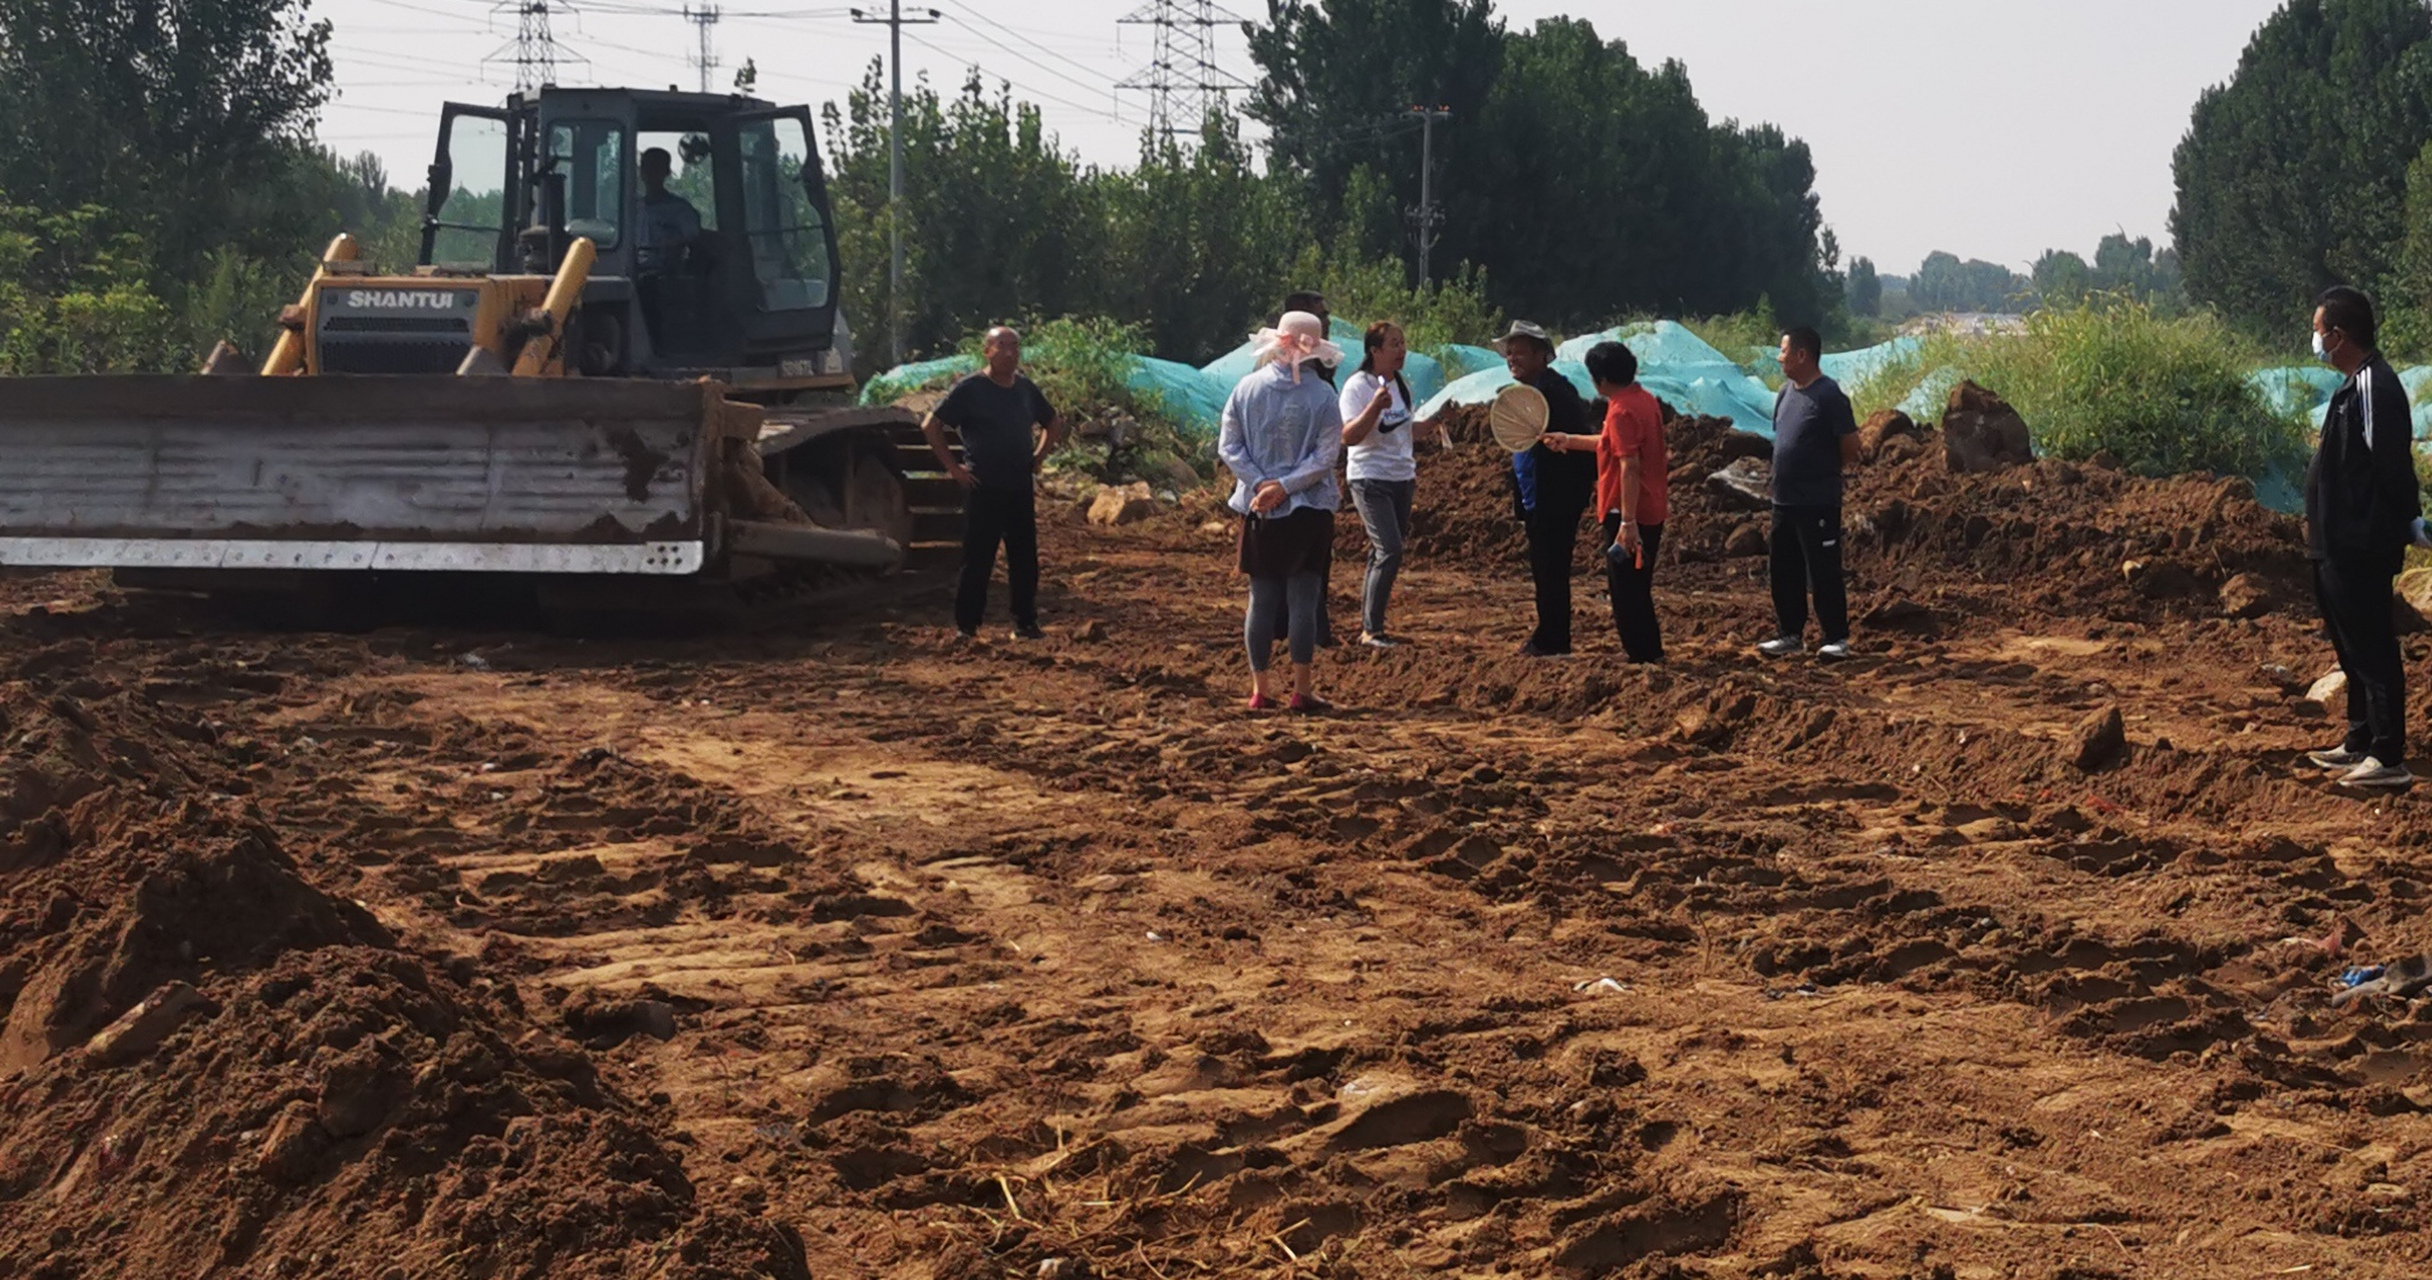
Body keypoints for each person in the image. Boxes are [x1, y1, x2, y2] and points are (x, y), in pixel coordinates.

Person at [2303, 286, 2427, 789]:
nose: (2315, 339)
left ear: (2340, 334)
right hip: (2334, 541)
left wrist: (2407, 521)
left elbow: (2390, 464)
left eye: (2319, 331)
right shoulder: (2352, 385)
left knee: (2372, 647)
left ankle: (2387, 754)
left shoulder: (2377, 384)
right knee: (2349, 647)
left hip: (2360, 542)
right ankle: (2359, 737)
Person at [1219, 311, 1345, 711]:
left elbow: (1229, 446)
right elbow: (1326, 456)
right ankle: (1301, 690)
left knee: (1262, 598)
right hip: (1307, 510)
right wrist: (1285, 486)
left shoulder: (1246, 388)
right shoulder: (1323, 397)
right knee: (1304, 598)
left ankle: (1260, 689)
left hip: (1259, 511)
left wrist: (1260, 484)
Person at [922, 327, 1067, 641]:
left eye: (1015, 346)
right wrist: (953, 468)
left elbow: (1053, 423)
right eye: (1002, 346)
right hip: (983, 487)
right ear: (987, 350)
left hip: (1018, 486)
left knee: (1024, 559)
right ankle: (967, 626)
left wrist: (1038, 457)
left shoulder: (1026, 389)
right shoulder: (971, 388)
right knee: (978, 559)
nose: (1010, 353)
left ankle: (1026, 623)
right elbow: (931, 425)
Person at [1545, 341, 1667, 663]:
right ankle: (1649, 652)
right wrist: (1569, 441)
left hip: (1627, 509)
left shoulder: (1621, 410)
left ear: (1600, 380)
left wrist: (1627, 522)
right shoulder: (1643, 400)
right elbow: (1611, 444)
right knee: (1637, 587)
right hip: (1650, 504)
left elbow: (1629, 464)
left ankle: (1642, 656)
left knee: (1626, 591)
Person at [1759, 326, 1860, 661]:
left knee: (1823, 570)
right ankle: (1790, 634)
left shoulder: (1830, 396)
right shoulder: (1786, 393)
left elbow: (1850, 446)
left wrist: (1822, 473)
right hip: (1783, 499)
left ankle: (1836, 637)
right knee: (1783, 569)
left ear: (1802, 355)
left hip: (1817, 501)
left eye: (1784, 351)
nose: (1779, 357)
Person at [1500, 321, 1597, 657]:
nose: (1513, 358)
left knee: (1552, 568)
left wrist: (1573, 496)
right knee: (1544, 568)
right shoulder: (1521, 394)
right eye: (1509, 353)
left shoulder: (1557, 393)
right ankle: (1549, 633)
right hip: (1534, 496)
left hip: (1555, 499)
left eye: (1520, 352)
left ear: (1542, 356)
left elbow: (1582, 446)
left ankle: (1552, 639)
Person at [1340, 322, 1438, 647]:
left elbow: (1405, 430)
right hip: (1370, 479)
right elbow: (1350, 436)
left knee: (1382, 551)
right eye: (1394, 344)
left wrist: (1437, 422)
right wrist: (1374, 406)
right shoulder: (1359, 386)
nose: (1402, 350)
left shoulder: (1400, 386)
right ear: (1375, 351)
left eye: (1403, 343)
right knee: (1390, 549)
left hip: (1401, 478)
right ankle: (1372, 631)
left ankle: (1372, 624)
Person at [635, 147, 702, 274]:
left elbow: (696, 242)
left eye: (656, 167)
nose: (650, 172)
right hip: (633, 272)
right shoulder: (632, 210)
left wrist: (672, 244)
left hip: (667, 277)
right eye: (646, 167)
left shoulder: (681, 210)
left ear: (666, 172)